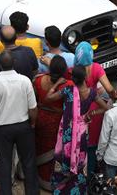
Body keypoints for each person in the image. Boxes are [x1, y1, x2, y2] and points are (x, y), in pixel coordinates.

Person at [0, 51, 39, 195]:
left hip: (2, 129)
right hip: (23, 126)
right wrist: (32, 123)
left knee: (5, 165)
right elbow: (33, 108)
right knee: (29, 163)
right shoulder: (25, 81)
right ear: (14, 63)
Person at [50, 65, 103, 194]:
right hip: (82, 132)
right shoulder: (92, 93)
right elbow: (105, 107)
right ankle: (77, 189)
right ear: (85, 77)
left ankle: (61, 189)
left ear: (73, 79)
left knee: (63, 156)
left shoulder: (68, 90)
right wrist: (90, 114)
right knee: (80, 158)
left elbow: (48, 98)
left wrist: (56, 84)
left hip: (67, 133)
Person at [33, 56, 69, 190]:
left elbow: (34, 101)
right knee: (51, 151)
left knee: (38, 146)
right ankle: (47, 181)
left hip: (39, 118)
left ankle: (34, 175)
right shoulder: (67, 85)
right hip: (55, 123)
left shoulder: (37, 80)